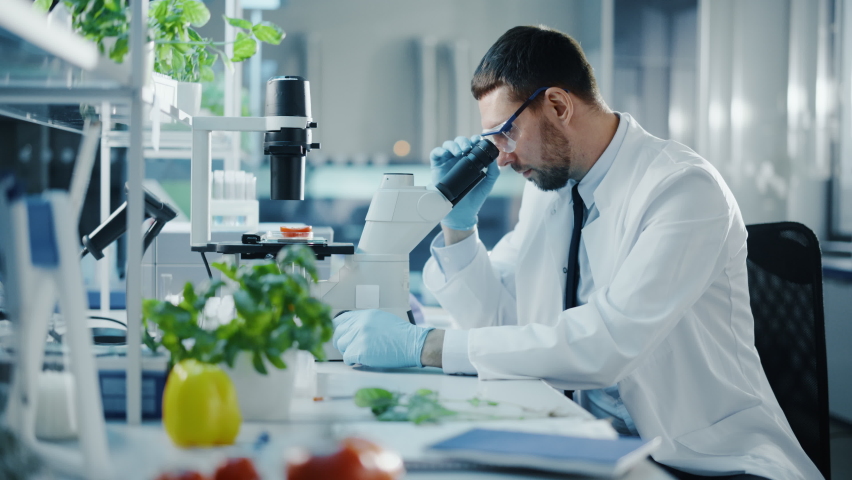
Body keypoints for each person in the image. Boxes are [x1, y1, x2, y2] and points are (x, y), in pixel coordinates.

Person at [332, 25, 822, 480]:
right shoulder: (551, 190)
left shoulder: (682, 189)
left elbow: (605, 346)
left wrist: (425, 346)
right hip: (593, 438)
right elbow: (501, 322)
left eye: (506, 132)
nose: (501, 156)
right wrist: (459, 228)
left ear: (559, 106)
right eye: (492, 141)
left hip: (705, 460)